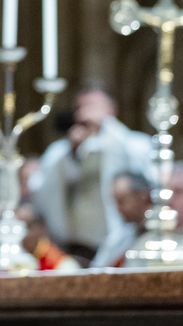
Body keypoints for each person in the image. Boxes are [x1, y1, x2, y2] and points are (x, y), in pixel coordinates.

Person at [29, 85, 152, 254]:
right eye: (79, 108)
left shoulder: (134, 143)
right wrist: (72, 153)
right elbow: (40, 189)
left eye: (92, 106)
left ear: (111, 109)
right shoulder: (59, 151)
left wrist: (106, 127)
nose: (84, 114)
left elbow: (147, 180)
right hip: (70, 246)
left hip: (119, 242)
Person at [91, 171, 152, 268]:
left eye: (122, 201)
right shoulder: (122, 236)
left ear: (142, 196)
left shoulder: (163, 233)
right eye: (116, 202)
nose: (118, 209)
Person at [15, 203, 80, 271]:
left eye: (27, 226)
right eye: (17, 227)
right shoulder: (12, 259)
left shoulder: (63, 266)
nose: (22, 232)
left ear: (41, 229)